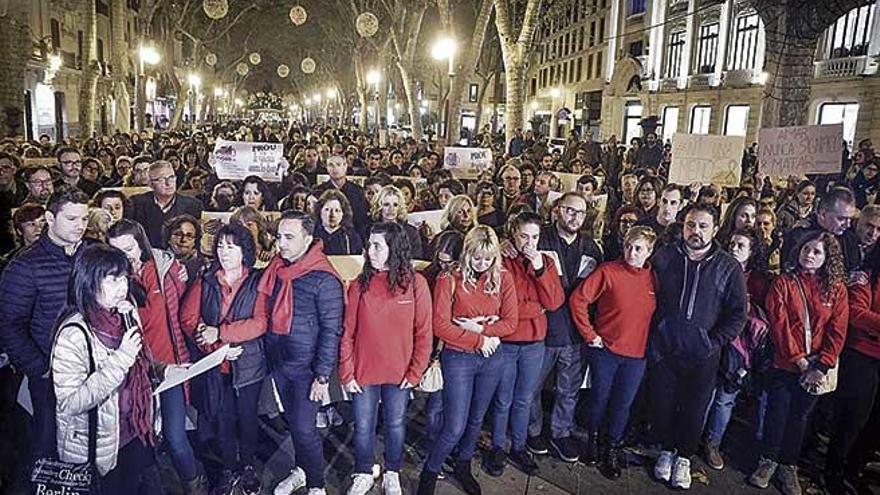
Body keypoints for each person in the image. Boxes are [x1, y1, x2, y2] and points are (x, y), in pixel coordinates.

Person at [650, 203, 748, 490]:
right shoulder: (665, 256)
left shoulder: (728, 267)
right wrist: (657, 336)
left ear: (715, 229)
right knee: (663, 403)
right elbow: (648, 296)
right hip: (666, 349)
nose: (696, 231)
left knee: (695, 409)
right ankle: (666, 451)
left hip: (704, 354)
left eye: (703, 226)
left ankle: (684, 456)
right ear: (683, 225)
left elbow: (738, 313)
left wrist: (712, 342)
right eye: (691, 224)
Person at [416, 225, 517, 495]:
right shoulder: (449, 279)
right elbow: (441, 326)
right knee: (455, 424)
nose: (482, 264)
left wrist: (480, 328)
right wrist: (479, 339)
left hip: (491, 358)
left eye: (488, 258)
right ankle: (431, 471)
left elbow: (511, 322)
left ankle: (463, 464)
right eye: (476, 257)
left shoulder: (503, 278)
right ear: (467, 252)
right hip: (459, 357)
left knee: (476, 419)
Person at [51, 244, 160, 493]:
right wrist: (121, 359)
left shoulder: (125, 314)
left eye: (124, 278)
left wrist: (163, 371)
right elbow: (69, 402)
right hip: (98, 446)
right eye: (112, 280)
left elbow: (140, 364)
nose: (122, 287)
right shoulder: (74, 333)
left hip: (134, 431)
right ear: (89, 282)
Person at [106, 219, 205, 492]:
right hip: (135, 370)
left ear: (141, 243)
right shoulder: (110, 281)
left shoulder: (162, 269)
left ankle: (194, 484)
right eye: (117, 250)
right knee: (142, 436)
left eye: (129, 248)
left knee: (175, 436)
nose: (126, 256)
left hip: (170, 366)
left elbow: (186, 309)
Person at [750, 231, 848, 495]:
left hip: (816, 368)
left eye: (817, 252)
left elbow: (838, 329)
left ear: (828, 258)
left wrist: (822, 364)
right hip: (786, 364)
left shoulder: (836, 289)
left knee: (800, 418)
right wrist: (800, 362)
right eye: (806, 249)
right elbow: (779, 324)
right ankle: (767, 461)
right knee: (777, 413)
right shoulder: (783, 282)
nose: (809, 255)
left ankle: (788, 465)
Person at [340, 222, 432, 495]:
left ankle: (392, 470)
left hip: (400, 373)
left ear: (395, 248)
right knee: (364, 426)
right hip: (364, 372)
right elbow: (347, 333)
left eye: (377, 245)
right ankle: (363, 470)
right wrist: (347, 372)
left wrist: (415, 372)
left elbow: (424, 333)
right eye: (369, 244)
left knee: (395, 424)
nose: (370, 250)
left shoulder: (416, 284)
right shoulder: (359, 284)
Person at [0, 188, 91, 459]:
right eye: (72, 219)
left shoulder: (92, 253)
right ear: (50, 219)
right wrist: (39, 368)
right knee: (51, 442)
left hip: (94, 370)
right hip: (50, 375)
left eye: (84, 219)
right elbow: (9, 324)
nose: (80, 226)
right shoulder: (25, 266)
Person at [180, 223, 266, 494]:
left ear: (245, 250)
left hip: (249, 364)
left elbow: (260, 322)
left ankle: (249, 465)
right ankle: (229, 467)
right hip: (217, 365)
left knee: (249, 418)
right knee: (223, 418)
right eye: (220, 246)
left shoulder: (256, 280)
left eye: (231, 246)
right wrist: (216, 348)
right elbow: (188, 319)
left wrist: (222, 332)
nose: (224, 252)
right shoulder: (206, 281)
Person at [262, 211, 344, 495]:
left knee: (304, 429)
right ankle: (301, 469)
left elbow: (331, 331)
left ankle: (316, 485)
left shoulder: (324, 278)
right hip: (280, 362)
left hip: (307, 371)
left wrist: (322, 376)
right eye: (278, 236)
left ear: (308, 239)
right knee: (295, 427)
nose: (280, 243)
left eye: (288, 237)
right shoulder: (278, 268)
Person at [570, 226, 657, 480]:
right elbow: (578, 300)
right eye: (628, 246)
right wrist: (590, 334)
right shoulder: (608, 271)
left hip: (636, 355)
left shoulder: (654, 279)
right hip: (606, 350)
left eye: (638, 248)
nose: (632, 252)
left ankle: (611, 447)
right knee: (599, 399)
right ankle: (592, 442)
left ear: (649, 251)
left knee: (622, 405)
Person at [483, 212, 564, 477]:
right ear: (513, 235)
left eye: (535, 237)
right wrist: (534, 308)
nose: (529, 242)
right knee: (503, 398)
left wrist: (539, 267)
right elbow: (500, 305)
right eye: (524, 236)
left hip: (534, 343)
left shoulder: (546, 261)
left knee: (525, 398)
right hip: (506, 341)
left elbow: (553, 303)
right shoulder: (501, 259)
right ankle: (497, 447)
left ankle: (519, 447)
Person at [526, 192, 604, 463]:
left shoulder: (592, 248)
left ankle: (561, 434)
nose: (574, 217)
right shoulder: (540, 238)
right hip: (542, 330)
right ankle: (532, 430)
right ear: (558, 210)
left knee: (568, 390)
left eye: (580, 213)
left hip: (575, 333)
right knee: (531, 388)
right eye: (570, 210)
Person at [702, 228, 772, 471]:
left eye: (741, 245)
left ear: (752, 252)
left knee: (725, 399)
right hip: (713, 341)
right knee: (705, 394)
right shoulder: (717, 268)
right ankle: (690, 440)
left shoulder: (759, 281)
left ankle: (713, 443)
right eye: (732, 243)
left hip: (740, 349)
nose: (733, 248)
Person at [825, 236, 880, 494]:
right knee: (852, 419)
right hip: (863, 355)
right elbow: (857, 313)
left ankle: (854, 468)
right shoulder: (866, 276)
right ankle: (834, 470)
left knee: (875, 423)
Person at [128, 160, 203, 248]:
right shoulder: (136, 203)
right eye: (161, 179)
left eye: (171, 177)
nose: (168, 183)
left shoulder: (193, 205)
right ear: (150, 184)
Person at [783, 187, 859, 271]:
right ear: (823, 214)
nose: (847, 225)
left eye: (850, 219)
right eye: (841, 219)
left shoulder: (850, 239)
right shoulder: (798, 235)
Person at [314, 155, 369, 233]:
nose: (335, 168)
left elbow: (361, 220)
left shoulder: (357, 191)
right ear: (326, 168)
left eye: (338, 164)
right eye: (331, 165)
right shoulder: (319, 191)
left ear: (345, 166)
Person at [370, 185, 424, 259]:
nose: (391, 209)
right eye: (386, 204)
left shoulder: (411, 232)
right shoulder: (370, 230)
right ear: (379, 207)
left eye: (395, 205)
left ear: (400, 207)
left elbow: (416, 259)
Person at [313, 189, 364, 255]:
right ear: (320, 211)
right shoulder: (312, 235)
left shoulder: (352, 237)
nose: (332, 215)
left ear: (343, 213)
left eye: (337, 210)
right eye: (327, 210)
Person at [164, 214, 204, 283]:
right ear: (168, 238)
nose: (183, 239)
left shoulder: (202, 267)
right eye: (178, 234)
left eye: (189, 236)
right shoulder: (157, 262)